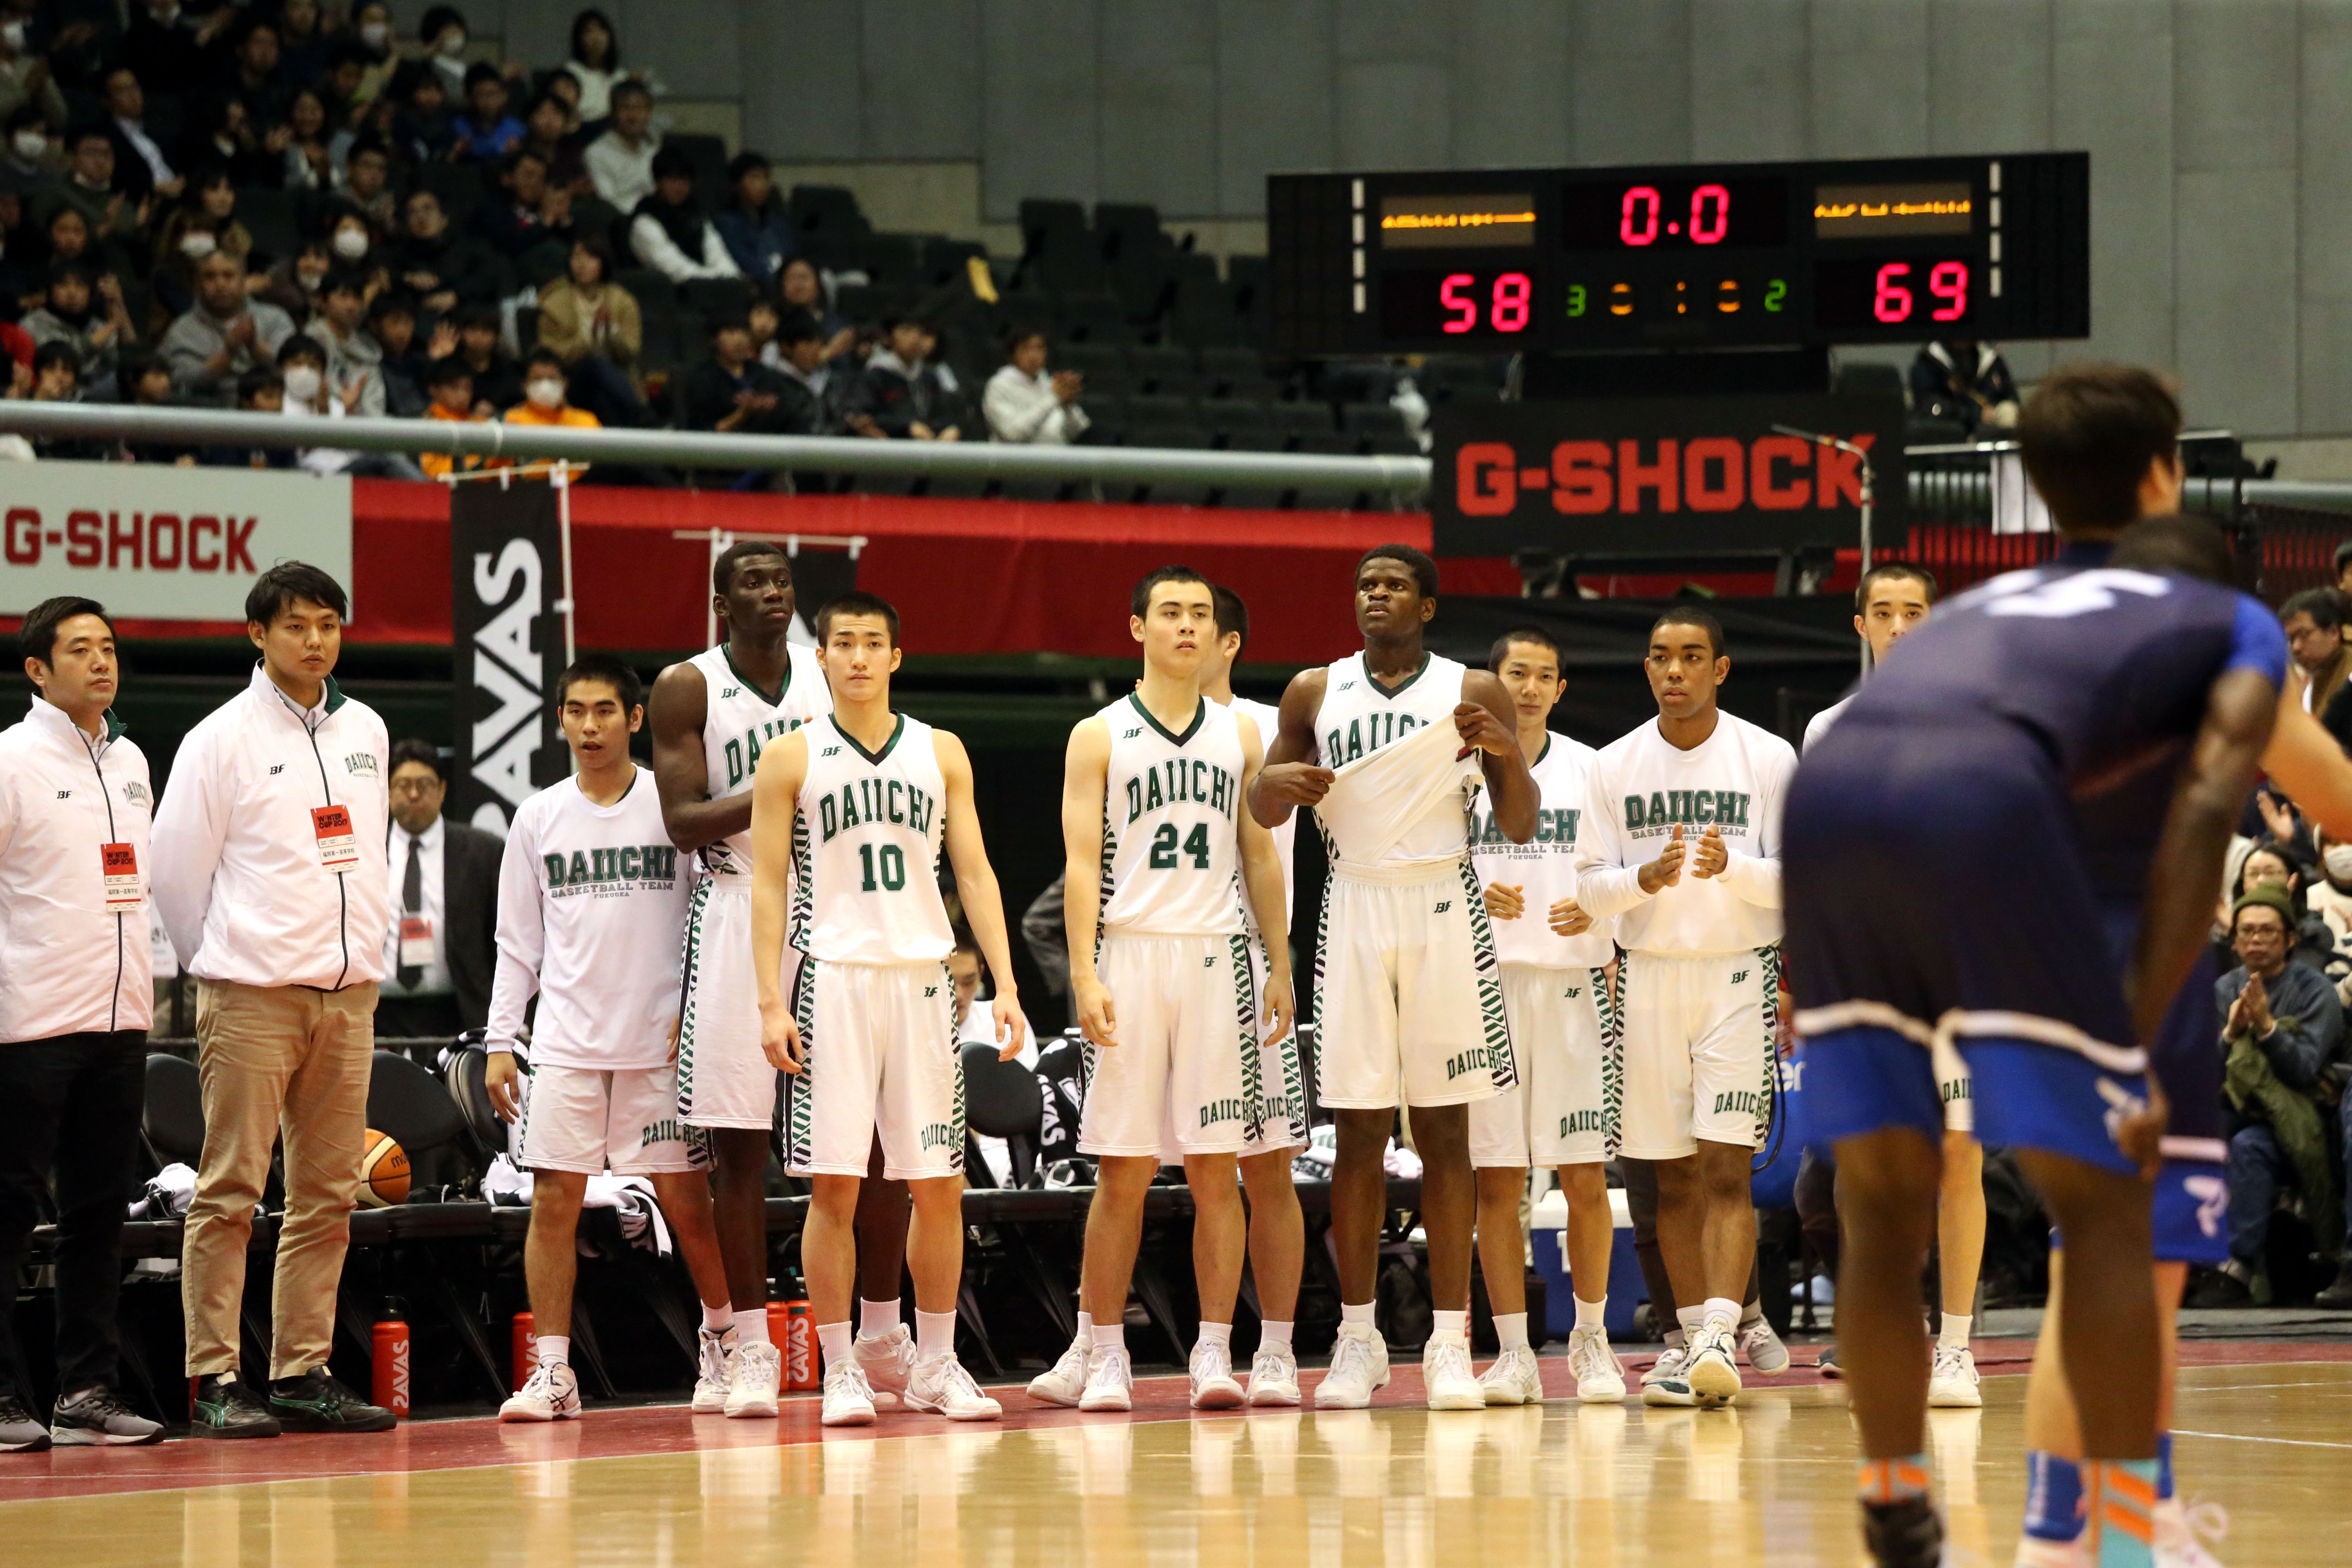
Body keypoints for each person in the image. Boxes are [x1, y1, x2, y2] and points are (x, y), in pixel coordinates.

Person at [1785, 363, 2287, 1568]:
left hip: (1834, 801)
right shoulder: (2223, 613)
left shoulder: (1974, 609)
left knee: (1882, 1194)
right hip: (1984, 805)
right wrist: (2142, 1025)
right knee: (2103, 1202)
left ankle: (1899, 1493)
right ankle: (2118, 1540)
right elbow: (2213, 799)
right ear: (2166, 474)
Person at [1248, 544, 1537, 1411]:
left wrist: (1507, 755)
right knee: (1360, 1129)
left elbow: (1518, 825)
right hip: (1355, 903)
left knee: (1446, 1134)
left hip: (1443, 898)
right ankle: (1358, 1338)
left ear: (1428, 604)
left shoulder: (1471, 689)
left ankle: (1448, 1341)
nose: (1375, 596)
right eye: (1365, 586)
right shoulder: (1311, 689)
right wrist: (1275, 783)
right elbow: (1263, 809)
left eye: (1394, 585)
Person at [748, 589, 1029, 1426]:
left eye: (875, 642)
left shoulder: (940, 751)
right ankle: (841, 1366)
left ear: (897, 656)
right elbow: (767, 884)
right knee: (833, 1187)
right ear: (823, 658)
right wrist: (769, 998)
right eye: (844, 644)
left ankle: (934, 1363)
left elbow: (974, 872)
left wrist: (1008, 984)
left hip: (920, 978)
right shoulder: (789, 757)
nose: (860, 657)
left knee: (938, 1185)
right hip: (831, 976)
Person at [151, 562, 398, 1441]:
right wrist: (219, 963)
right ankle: (214, 1376)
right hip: (250, 994)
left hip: (349, 996)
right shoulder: (218, 739)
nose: (316, 640)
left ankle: (301, 1369)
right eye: (297, 625)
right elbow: (175, 875)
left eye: (329, 623)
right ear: (257, 634)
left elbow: (372, 856)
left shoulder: (366, 727)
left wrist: (366, 953)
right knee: (230, 1191)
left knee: (329, 1193)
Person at [1039, 567, 1293, 1414]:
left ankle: (1212, 1353)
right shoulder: (1098, 734)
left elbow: (1258, 857)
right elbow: (1079, 864)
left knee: (1219, 1172)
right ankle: (1105, 1350)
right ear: (1137, 627)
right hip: (1133, 955)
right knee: (1123, 1170)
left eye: (1199, 615)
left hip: (1220, 958)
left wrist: (1279, 961)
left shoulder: (1241, 736)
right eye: (1170, 613)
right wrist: (1082, 971)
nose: (1186, 626)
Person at [485, 656, 739, 1422]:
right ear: (558, 719)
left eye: (603, 711)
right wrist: (502, 1037)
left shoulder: (674, 811)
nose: (588, 725)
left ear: (635, 719)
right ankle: (554, 1372)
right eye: (574, 711)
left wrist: (696, 1008)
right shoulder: (537, 817)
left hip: (658, 1042)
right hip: (564, 1041)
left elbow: (713, 917)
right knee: (553, 1201)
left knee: (688, 1202)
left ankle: (725, 1341)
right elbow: (516, 941)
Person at [1571, 606, 1795, 1409]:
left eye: (1691, 657)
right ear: (1645, 669)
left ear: (1719, 669)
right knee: (1667, 1179)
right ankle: (1692, 1332)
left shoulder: (1768, 757)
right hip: (1646, 979)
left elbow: (1792, 880)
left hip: (1735, 974)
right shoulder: (1610, 765)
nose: (1673, 671)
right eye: (1660, 658)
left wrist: (1725, 865)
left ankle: (1717, 1337)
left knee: (1725, 1166)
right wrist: (1644, 880)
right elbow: (1586, 887)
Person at [648, 543, 831, 1418]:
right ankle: (750, 1344)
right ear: (721, 600)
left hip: (831, 908)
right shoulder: (688, 686)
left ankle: (868, 1340)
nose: (770, 594)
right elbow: (683, 820)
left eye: (781, 582)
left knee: (860, 1146)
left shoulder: (830, 674)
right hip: (730, 910)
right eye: (752, 583)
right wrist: (779, 787)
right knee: (739, 1151)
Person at [1803, 563, 1986, 1408]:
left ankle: (1954, 1347)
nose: (1900, 625)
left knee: (1956, 1151)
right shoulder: (1826, 727)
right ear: (1860, 626)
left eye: (1914, 611)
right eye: (1884, 612)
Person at [0, 598, 163, 1452]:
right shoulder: (11, 761)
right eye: (80, 650)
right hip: (27, 1025)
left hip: (120, 1021)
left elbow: (139, 886)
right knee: (9, 1210)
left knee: (100, 1214)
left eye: (108, 647)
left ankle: (85, 1392)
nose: (102, 662)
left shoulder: (132, 757)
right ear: (37, 670)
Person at [1462, 625, 1629, 1406]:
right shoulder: (1457, 770)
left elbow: (1619, 875)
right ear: (1491, 684)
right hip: (1483, 988)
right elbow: (1421, 866)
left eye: (1543, 676)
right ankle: (1511, 1352)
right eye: (1515, 674)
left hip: (1571, 986)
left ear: (1560, 689)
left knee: (1584, 1174)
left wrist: (1596, 912)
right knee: (1495, 1182)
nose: (1528, 688)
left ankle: (1590, 1340)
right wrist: (1470, 889)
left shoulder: (1593, 770)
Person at [2192, 886, 2347, 1310]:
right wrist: (2228, 1034)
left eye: (2267, 932)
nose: (2256, 940)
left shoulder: (2316, 991)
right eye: (2247, 932)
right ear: (2235, 939)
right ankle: (2185, 1262)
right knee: (2186, 1138)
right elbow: (2202, 1071)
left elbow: (2304, 1068)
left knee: (2248, 1147)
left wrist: (2266, 1027)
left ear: (2290, 939)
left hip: (2304, 1113)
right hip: (2237, 1108)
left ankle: (2237, 1268)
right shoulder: (2224, 988)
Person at [377, 739, 501, 1045]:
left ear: (443, 790)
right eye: (403, 784)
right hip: (376, 1014)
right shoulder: (365, 850)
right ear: (387, 791)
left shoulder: (482, 852)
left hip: (458, 1011)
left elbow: (503, 939)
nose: (414, 794)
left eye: (425, 784)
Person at [532, 237, 645, 423]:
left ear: (603, 262)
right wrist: (586, 344)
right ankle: (641, 414)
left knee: (604, 385)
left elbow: (632, 349)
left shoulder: (623, 301)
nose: (582, 264)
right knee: (595, 364)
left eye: (591, 258)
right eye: (577, 258)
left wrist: (610, 334)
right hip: (572, 377)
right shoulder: (554, 302)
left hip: (616, 377)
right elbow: (547, 351)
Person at [161, 247, 294, 405]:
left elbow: (294, 372)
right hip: (206, 418)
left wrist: (254, 347)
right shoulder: (181, 331)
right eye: (210, 277)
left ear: (243, 280)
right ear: (198, 284)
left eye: (228, 276)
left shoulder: (276, 319)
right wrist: (227, 356)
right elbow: (177, 381)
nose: (220, 284)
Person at [629, 146, 740, 284]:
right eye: (673, 180)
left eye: (685, 180)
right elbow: (677, 270)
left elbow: (718, 255)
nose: (680, 187)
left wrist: (734, 279)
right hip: (667, 294)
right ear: (658, 182)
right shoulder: (644, 221)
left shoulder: (696, 214)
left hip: (705, 290)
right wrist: (716, 279)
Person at [679, 312, 792, 436]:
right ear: (713, 339)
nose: (740, 340)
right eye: (731, 332)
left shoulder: (767, 376)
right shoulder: (701, 380)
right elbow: (700, 434)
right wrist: (742, 415)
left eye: (744, 332)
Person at [850, 316, 961, 441]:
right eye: (905, 332)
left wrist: (950, 428)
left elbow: (942, 412)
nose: (913, 338)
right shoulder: (876, 376)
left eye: (917, 332)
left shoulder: (929, 376)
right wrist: (907, 427)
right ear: (889, 338)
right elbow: (866, 416)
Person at [983, 328, 1088, 445]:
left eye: (1040, 348)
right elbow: (1012, 434)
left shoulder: (1050, 384)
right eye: (1026, 349)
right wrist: (1053, 399)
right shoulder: (999, 386)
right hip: (1016, 461)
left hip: (1056, 459)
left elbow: (1077, 431)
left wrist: (1068, 407)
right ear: (1014, 354)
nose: (1034, 355)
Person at [713, 150, 793, 283]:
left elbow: (794, 259)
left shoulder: (779, 224)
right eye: (755, 177)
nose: (762, 185)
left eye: (766, 178)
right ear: (737, 184)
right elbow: (747, 264)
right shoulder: (727, 224)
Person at [769, 308, 850, 436]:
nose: (816, 349)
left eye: (819, 342)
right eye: (808, 343)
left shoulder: (832, 381)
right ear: (786, 347)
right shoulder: (772, 384)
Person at [1908, 340, 2019, 432]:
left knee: (2009, 412)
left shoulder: (1991, 360)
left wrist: (1995, 412)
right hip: (1950, 430)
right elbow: (1929, 404)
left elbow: (2012, 398)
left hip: (1991, 430)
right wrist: (1977, 415)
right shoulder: (1928, 363)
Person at [584, 78, 656, 212]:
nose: (633, 116)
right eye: (626, 108)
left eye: (640, 108)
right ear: (613, 112)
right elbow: (607, 204)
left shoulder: (653, 149)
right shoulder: (597, 153)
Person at [562, 9, 639, 122]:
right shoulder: (570, 73)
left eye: (601, 30)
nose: (596, 37)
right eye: (589, 31)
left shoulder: (620, 76)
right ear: (579, 39)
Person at [418, 354, 488, 477]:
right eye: (454, 387)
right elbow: (432, 472)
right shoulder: (426, 426)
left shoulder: (482, 423)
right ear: (434, 389)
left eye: (467, 388)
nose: (463, 395)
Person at [452, 61, 522, 166]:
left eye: (493, 94)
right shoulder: (458, 127)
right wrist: (457, 153)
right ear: (470, 98)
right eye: (482, 95)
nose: (489, 101)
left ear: (504, 96)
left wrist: (517, 154)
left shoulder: (516, 129)